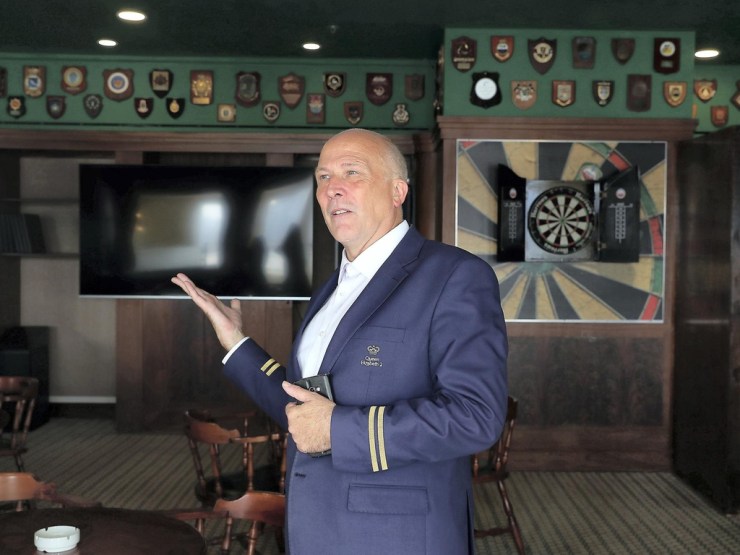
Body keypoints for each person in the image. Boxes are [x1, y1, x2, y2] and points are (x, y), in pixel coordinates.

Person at [172, 128, 508, 554]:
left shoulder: (454, 276)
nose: (333, 188)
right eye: (323, 177)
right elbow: (305, 410)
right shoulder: (332, 288)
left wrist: (337, 429)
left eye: (352, 173)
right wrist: (236, 342)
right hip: (315, 524)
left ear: (397, 191)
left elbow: (476, 417)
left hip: (396, 537)